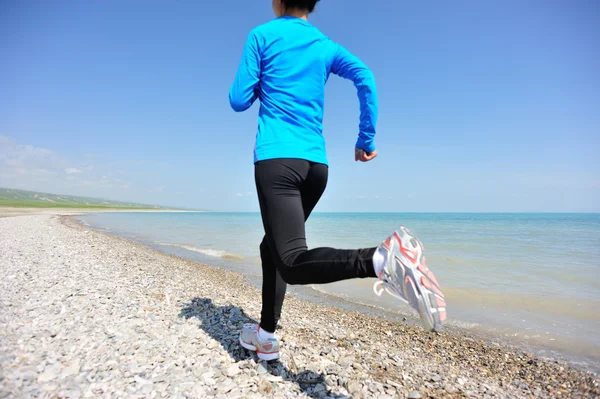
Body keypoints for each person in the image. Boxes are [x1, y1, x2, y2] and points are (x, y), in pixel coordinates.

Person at [229, 0, 446, 361]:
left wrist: (262, 84)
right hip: (316, 168)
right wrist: (366, 138)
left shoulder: (262, 36)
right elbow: (365, 77)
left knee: (292, 260)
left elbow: (237, 99)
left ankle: (380, 261)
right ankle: (266, 334)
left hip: (277, 162)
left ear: (276, 1)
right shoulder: (325, 45)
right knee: (273, 249)